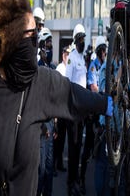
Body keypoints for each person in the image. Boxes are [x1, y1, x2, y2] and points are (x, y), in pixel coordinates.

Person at [0, 0, 113, 196]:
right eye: (32, 36)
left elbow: (75, 94)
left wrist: (108, 104)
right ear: (12, 38)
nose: (36, 43)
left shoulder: (41, 81)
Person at [80, 36, 107, 195]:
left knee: (100, 151)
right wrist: (103, 93)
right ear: (99, 51)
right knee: (88, 148)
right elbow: (93, 87)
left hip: (101, 113)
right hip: (93, 114)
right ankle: (82, 179)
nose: (104, 53)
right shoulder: (94, 67)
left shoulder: (106, 65)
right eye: (103, 50)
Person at [65, 23, 87, 196]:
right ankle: (71, 183)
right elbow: (68, 84)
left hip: (82, 111)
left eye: (83, 38)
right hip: (73, 110)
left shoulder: (82, 58)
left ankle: (75, 180)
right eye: (80, 39)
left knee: (78, 147)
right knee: (73, 149)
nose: (82, 41)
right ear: (75, 40)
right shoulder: (72, 58)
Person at [36, 27, 55, 196]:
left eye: (51, 44)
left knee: (49, 168)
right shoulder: (37, 68)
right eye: (47, 44)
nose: (50, 47)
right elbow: (36, 99)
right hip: (41, 125)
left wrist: (54, 121)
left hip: (51, 123)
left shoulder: (52, 67)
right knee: (40, 170)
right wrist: (43, 125)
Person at [53, 46, 71, 175]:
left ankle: (59, 163)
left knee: (62, 138)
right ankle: (53, 165)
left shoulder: (68, 67)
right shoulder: (59, 68)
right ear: (63, 55)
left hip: (66, 108)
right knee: (57, 138)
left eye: (69, 54)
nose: (67, 56)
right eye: (66, 54)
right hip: (58, 108)